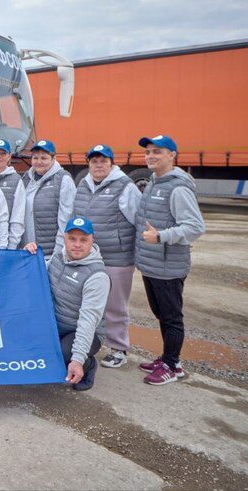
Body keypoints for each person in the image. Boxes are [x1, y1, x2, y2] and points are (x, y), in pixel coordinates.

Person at [135, 134, 205, 386]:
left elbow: (195, 227)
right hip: (153, 264)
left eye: (157, 151)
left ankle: (173, 366)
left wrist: (161, 236)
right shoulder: (154, 182)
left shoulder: (178, 188)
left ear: (172, 155)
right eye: (148, 152)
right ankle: (167, 359)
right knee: (162, 314)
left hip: (168, 266)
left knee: (172, 318)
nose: (150, 156)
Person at [73, 144, 141, 369]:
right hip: (89, 257)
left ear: (112, 163)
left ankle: (118, 348)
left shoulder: (125, 186)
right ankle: (88, 344)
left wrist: (139, 252)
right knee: (88, 303)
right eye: (94, 161)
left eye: (103, 161)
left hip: (117, 257)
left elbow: (139, 220)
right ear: (88, 164)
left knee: (115, 305)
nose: (99, 165)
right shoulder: (83, 185)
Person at [29, 216, 109, 392]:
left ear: (92, 241)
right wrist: (28, 256)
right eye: (72, 239)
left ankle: (88, 365)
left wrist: (77, 359)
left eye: (83, 240)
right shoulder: (58, 257)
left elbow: (88, 321)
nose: (77, 244)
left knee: (60, 356)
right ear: (64, 238)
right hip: (54, 325)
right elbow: (37, 273)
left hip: (81, 331)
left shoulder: (97, 276)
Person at [22, 140, 76, 260]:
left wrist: (57, 253)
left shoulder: (63, 179)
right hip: (29, 251)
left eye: (44, 158)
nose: (39, 162)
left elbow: (66, 219)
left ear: (53, 159)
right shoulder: (26, 179)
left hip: (50, 254)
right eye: (35, 158)